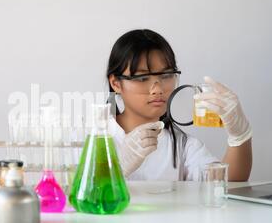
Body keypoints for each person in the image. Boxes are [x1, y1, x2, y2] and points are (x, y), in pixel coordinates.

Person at [106, 29, 252, 181]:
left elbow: (225, 187)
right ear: (116, 83)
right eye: (142, 78)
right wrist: (117, 169)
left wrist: (240, 136)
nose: (158, 89)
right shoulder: (87, 136)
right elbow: (80, 200)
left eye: (166, 75)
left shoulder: (183, 146)